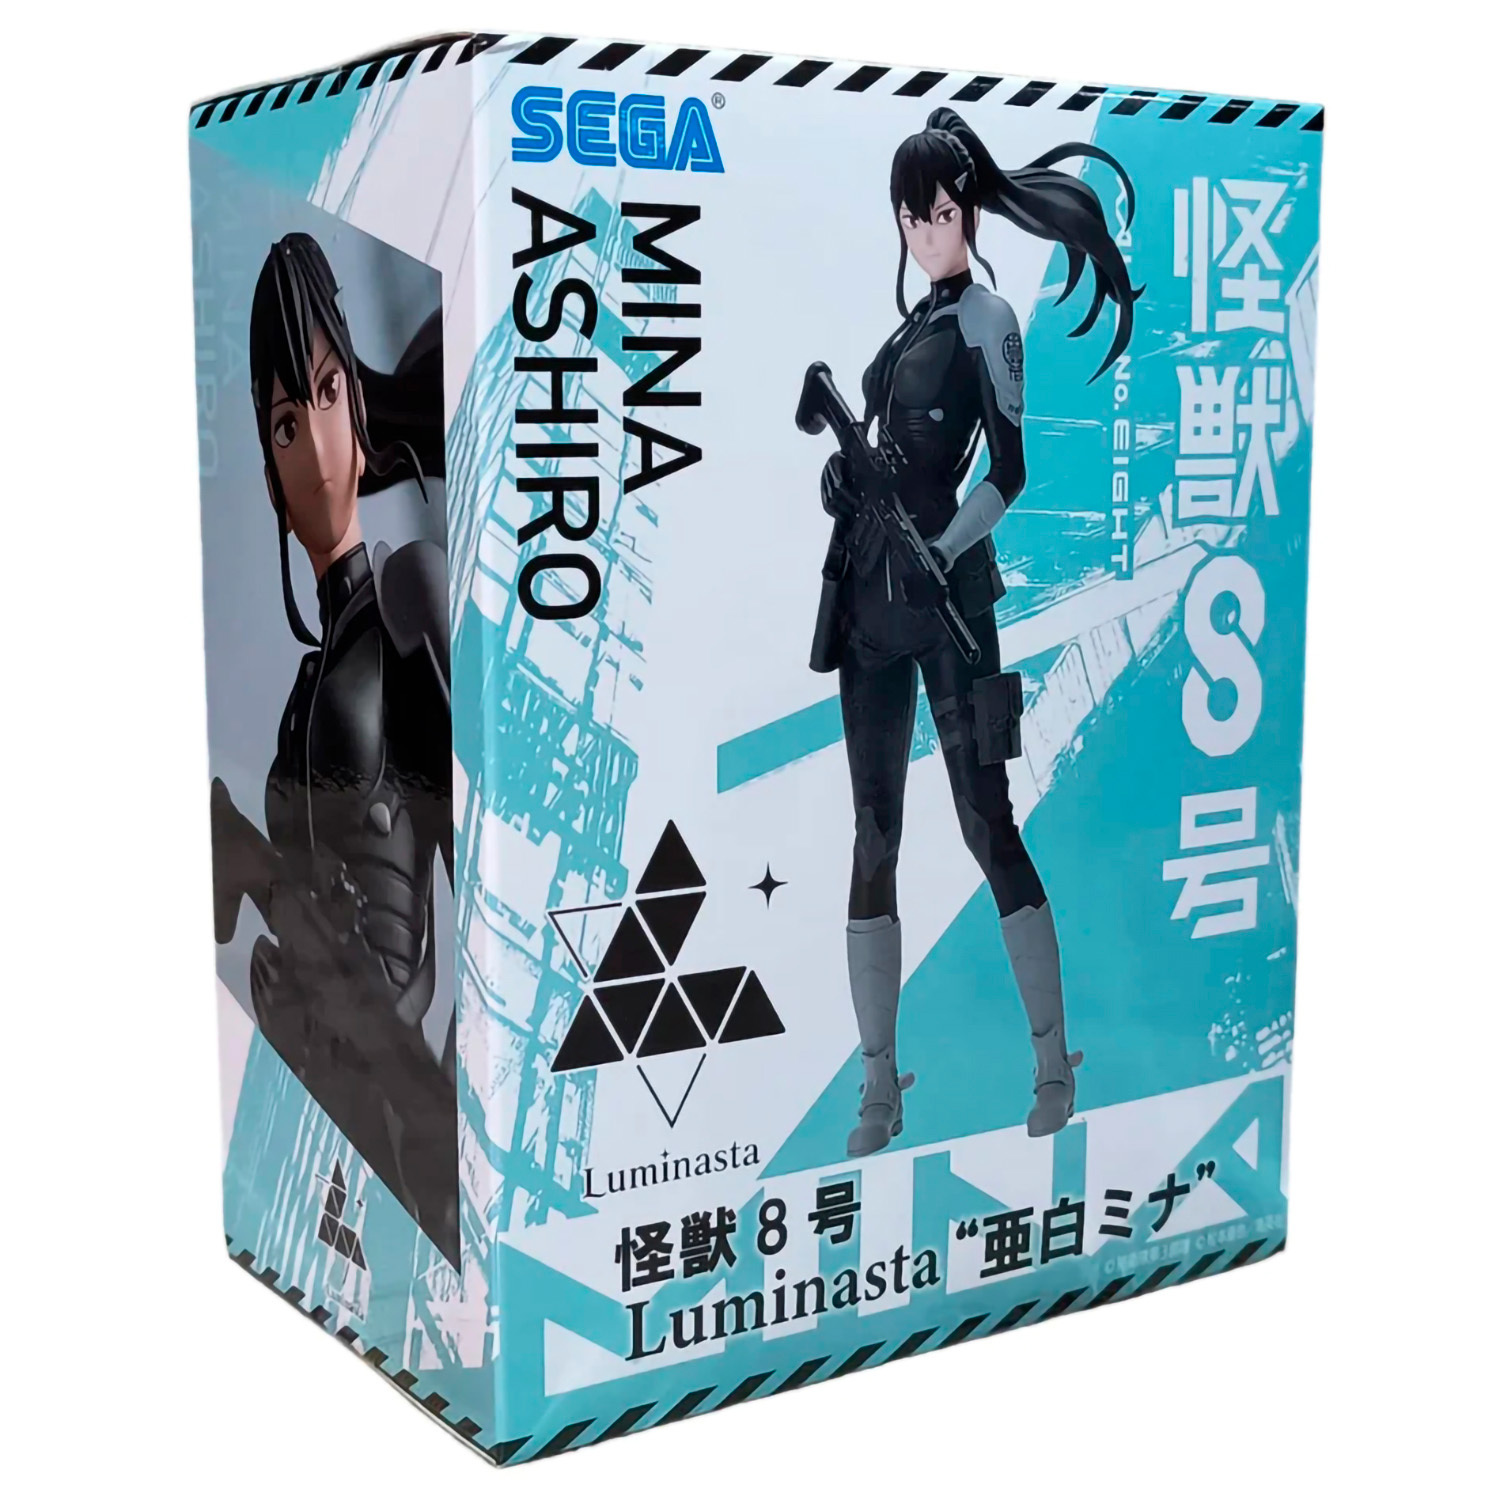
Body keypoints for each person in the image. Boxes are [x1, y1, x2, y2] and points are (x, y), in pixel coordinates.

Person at [812, 109, 1139, 1155]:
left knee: (985, 819)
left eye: (942, 214)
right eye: (912, 218)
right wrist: (841, 484)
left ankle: (1051, 1063)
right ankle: (879, 1088)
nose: (927, 232)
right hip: (869, 600)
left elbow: (1009, 469)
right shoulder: (909, 327)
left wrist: (945, 548)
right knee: (873, 834)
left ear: (968, 213)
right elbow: (872, 446)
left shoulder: (989, 318)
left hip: (948, 597)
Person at [210, 232, 460, 1264]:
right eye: (284, 422)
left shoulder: (409, 594)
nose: (312, 446)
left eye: (324, 394)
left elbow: (492, 876)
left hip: (415, 1120)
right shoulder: (303, 696)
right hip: (325, 1118)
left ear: (358, 407)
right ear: (268, 470)